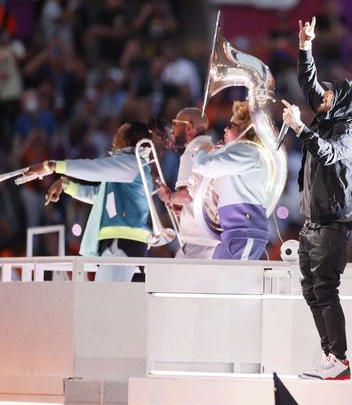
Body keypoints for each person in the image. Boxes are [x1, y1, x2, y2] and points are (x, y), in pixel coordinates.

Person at [280, 16, 352, 380]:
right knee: (312, 292)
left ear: (342, 100)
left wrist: (300, 128)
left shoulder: (349, 127)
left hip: (332, 224)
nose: (321, 100)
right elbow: (309, 84)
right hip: (312, 223)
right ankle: (331, 358)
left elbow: (330, 154)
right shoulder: (328, 116)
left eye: (329, 96)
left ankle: (340, 360)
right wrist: (305, 46)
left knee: (326, 290)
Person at [24, 122, 152, 281]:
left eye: (118, 134)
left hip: (126, 243)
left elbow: (94, 168)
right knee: (103, 300)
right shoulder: (126, 167)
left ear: (127, 142)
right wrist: (67, 186)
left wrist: (51, 166)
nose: (113, 138)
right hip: (115, 243)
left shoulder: (133, 164)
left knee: (109, 302)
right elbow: (99, 196)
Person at [192, 101, 269, 260]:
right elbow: (216, 195)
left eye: (231, 125)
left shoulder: (247, 151)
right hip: (235, 234)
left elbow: (205, 166)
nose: (225, 129)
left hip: (243, 233)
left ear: (246, 129)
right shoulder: (242, 154)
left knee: (229, 283)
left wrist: (200, 150)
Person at [157, 107, 219, 259]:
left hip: (196, 238)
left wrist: (168, 197)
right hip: (210, 237)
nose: (172, 129)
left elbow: (186, 196)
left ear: (189, 127)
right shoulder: (214, 150)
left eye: (176, 123)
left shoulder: (192, 151)